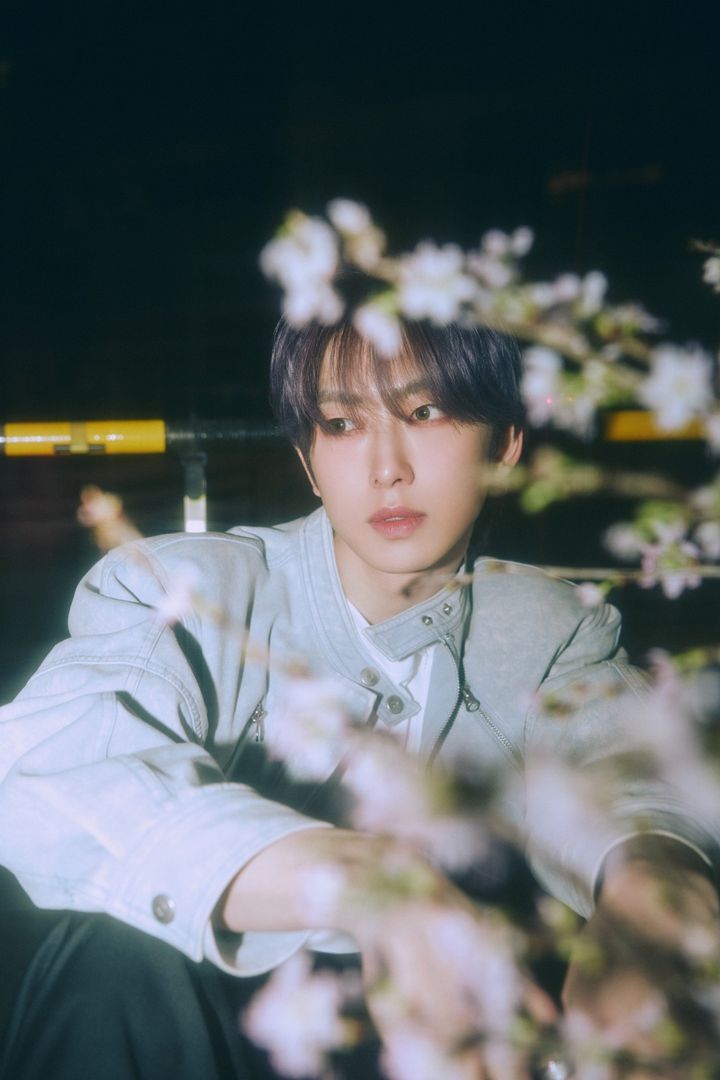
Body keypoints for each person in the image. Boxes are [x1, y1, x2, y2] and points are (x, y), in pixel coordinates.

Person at [0, 316, 718, 1079]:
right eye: (342, 425)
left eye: (424, 412)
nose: (386, 469)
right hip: (200, 1035)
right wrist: (368, 884)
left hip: (440, 1043)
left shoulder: (546, 627)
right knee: (117, 951)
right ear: (309, 463)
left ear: (506, 445)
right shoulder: (188, 594)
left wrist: (652, 882)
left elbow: (625, 764)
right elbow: (49, 771)